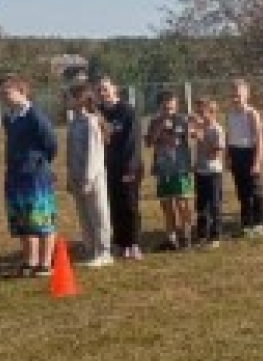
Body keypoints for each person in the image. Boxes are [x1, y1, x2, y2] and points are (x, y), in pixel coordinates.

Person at [0, 74, 58, 277]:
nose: (4, 97)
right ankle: (29, 261)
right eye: (2, 94)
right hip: (15, 175)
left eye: (8, 93)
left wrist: (40, 162)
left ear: (22, 92)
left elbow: (50, 142)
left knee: (40, 219)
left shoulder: (35, 115)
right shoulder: (10, 117)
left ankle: (45, 263)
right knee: (23, 221)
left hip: (35, 176)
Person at [65, 81, 112, 268]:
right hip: (77, 177)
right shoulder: (74, 122)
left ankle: (104, 252)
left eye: (70, 97)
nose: (66, 100)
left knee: (98, 214)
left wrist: (87, 179)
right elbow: (70, 152)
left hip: (92, 177)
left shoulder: (91, 122)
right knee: (84, 216)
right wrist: (71, 176)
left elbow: (93, 153)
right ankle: (91, 250)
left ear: (81, 100)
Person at [97, 76, 144, 260]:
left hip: (129, 166)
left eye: (106, 89)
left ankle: (133, 243)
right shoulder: (99, 112)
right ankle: (119, 242)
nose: (103, 93)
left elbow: (133, 142)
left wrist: (130, 169)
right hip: (109, 167)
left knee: (129, 206)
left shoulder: (127, 111)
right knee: (114, 205)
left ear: (114, 89)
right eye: (100, 90)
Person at [145, 90, 196, 251]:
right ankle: (171, 239)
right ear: (160, 107)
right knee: (167, 206)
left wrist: (192, 126)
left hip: (180, 168)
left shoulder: (182, 120)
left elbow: (189, 137)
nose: (170, 112)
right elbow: (149, 142)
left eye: (173, 108)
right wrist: (159, 128)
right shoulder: (154, 122)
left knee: (182, 204)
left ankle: (186, 237)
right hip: (162, 169)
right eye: (166, 108)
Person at [225, 79, 263, 238]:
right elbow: (229, 135)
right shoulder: (230, 114)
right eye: (234, 95)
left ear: (246, 95)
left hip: (250, 153)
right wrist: (228, 155)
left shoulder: (252, 113)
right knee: (242, 191)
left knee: (255, 190)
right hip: (236, 154)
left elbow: (259, 139)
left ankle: (259, 223)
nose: (236, 98)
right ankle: (246, 222)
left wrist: (257, 161)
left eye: (239, 95)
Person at [193, 98, 226, 248]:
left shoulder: (217, 130)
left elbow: (216, 154)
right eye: (198, 111)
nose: (199, 115)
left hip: (213, 172)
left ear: (212, 113)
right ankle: (201, 235)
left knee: (214, 204)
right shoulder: (200, 127)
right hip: (200, 172)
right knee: (201, 205)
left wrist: (202, 140)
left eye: (202, 112)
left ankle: (215, 236)